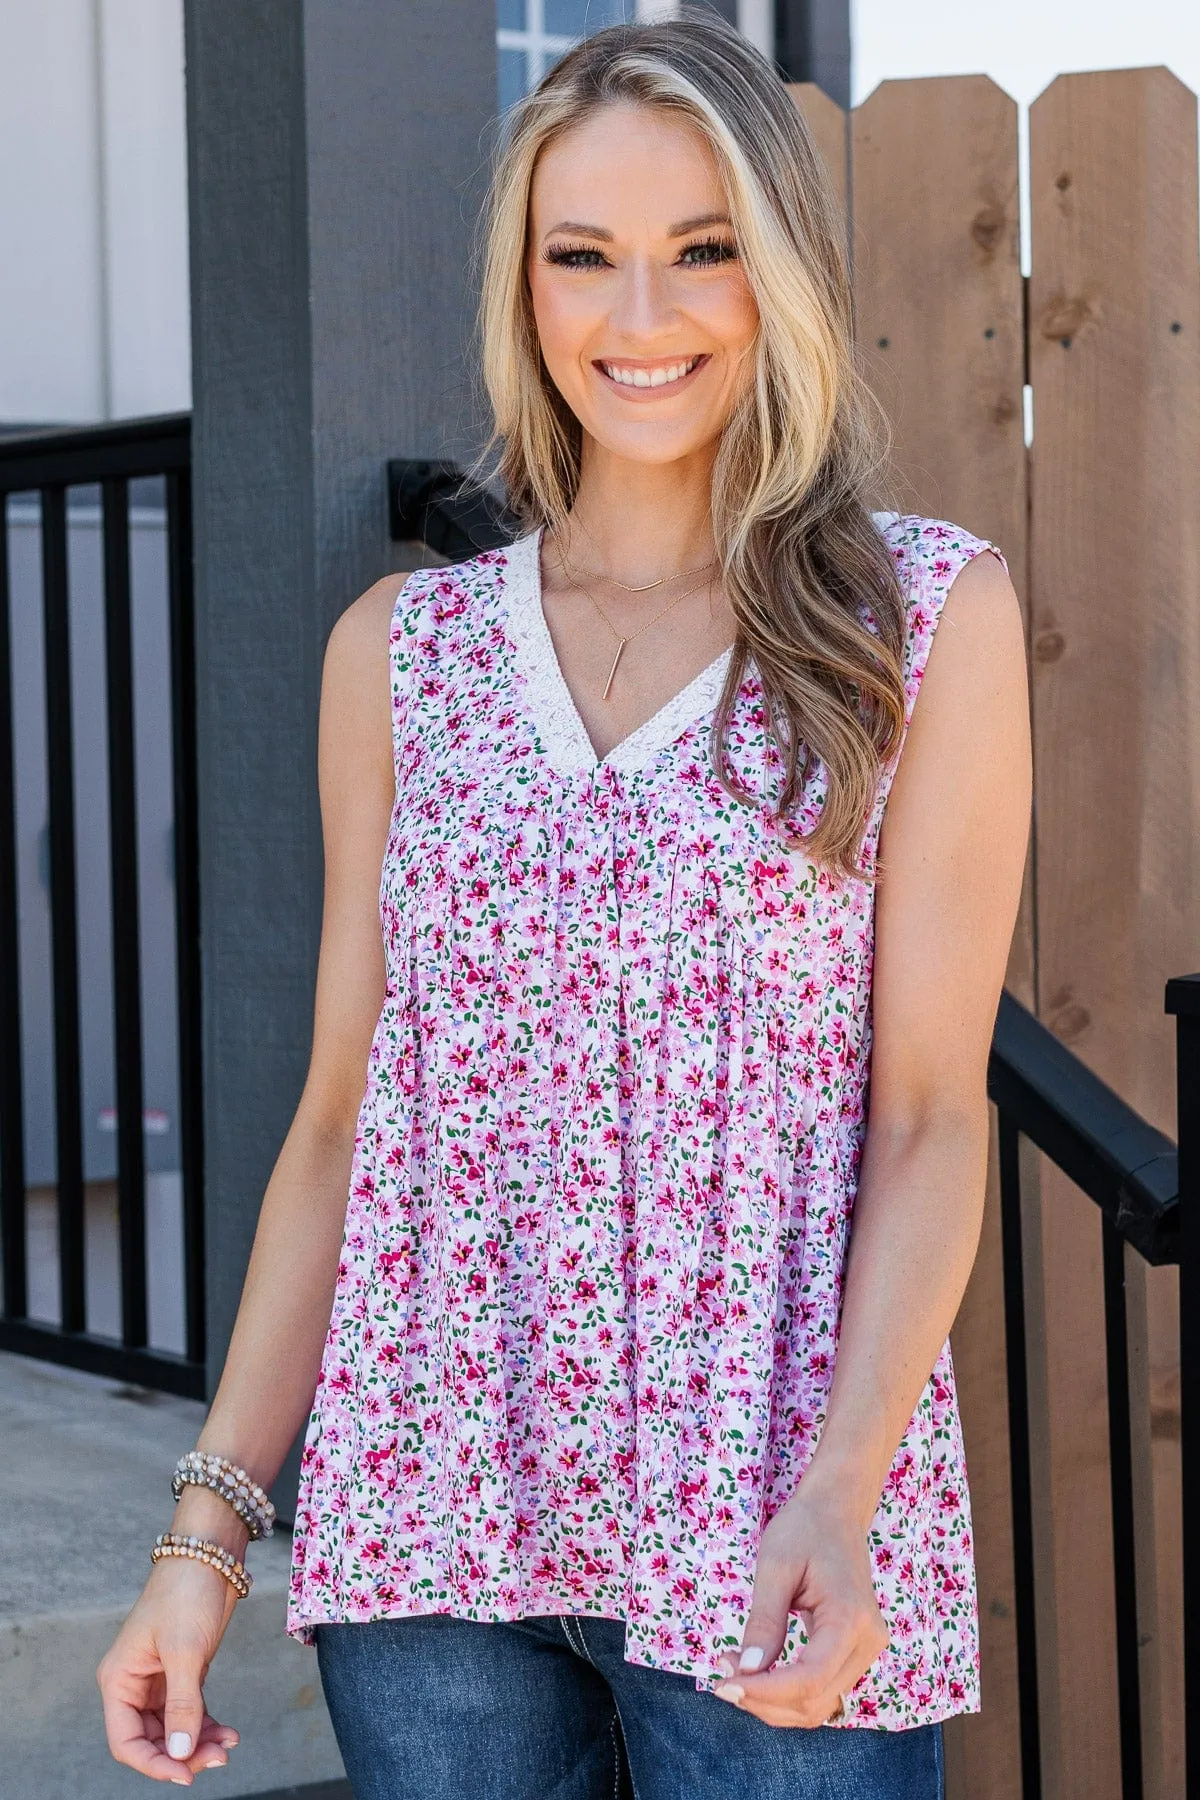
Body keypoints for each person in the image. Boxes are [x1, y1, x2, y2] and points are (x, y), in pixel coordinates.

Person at [98, 11, 1031, 1798]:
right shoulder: (403, 653)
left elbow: (926, 1121)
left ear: (782, 278)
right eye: (583, 256)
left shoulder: (919, 622)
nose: (643, 317)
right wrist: (204, 1538)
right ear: (524, 286)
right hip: (433, 1524)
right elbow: (340, 1127)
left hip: (775, 1527)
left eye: (704, 255)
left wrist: (843, 1488)